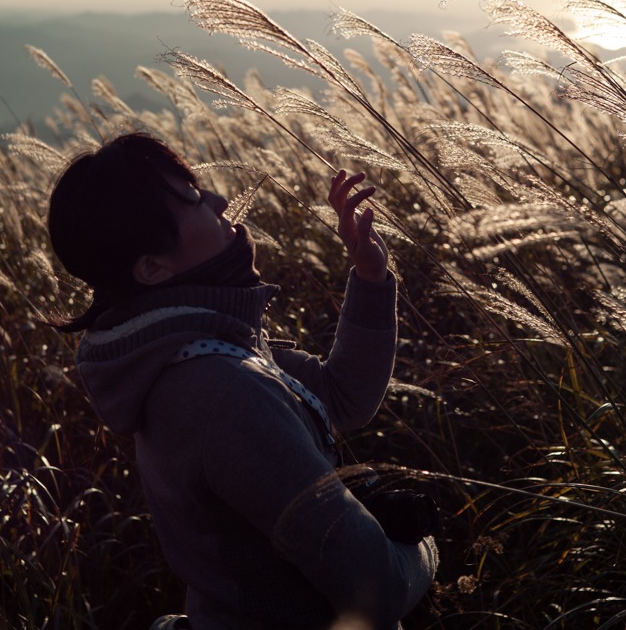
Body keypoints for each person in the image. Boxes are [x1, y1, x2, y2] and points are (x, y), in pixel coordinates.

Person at [47, 131, 438, 630]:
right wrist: (423, 538)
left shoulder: (199, 346)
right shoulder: (220, 392)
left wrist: (369, 275)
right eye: (192, 200)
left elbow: (342, 397)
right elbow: (377, 587)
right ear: (151, 268)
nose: (219, 201)